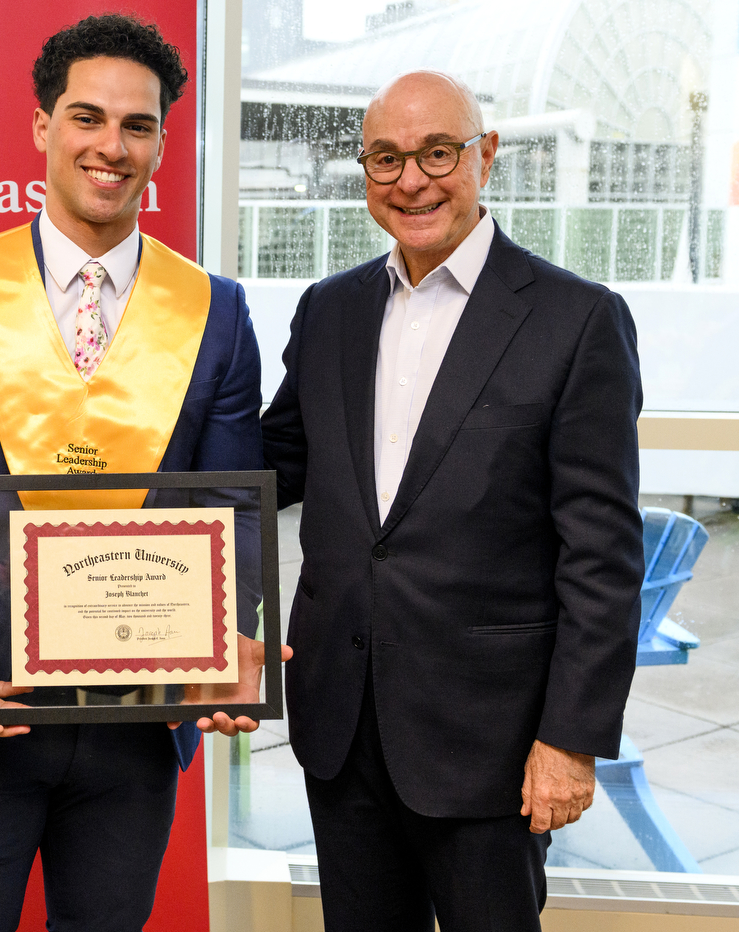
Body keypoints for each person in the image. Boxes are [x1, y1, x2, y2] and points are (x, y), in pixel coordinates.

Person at [0, 14, 279, 932]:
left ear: (163, 142)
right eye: (87, 118)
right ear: (43, 127)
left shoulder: (217, 312)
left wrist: (236, 632)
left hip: (139, 733)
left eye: (138, 125)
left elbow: (235, 507)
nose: (110, 147)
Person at [260, 70, 644, 931]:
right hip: (342, 724)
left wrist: (570, 739)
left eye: (438, 153)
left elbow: (603, 554)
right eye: (385, 159)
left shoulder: (576, 321)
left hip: (493, 744)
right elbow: (272, 464)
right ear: (363, 173)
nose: (412, 180)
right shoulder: (329, 311)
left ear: (487, 156)